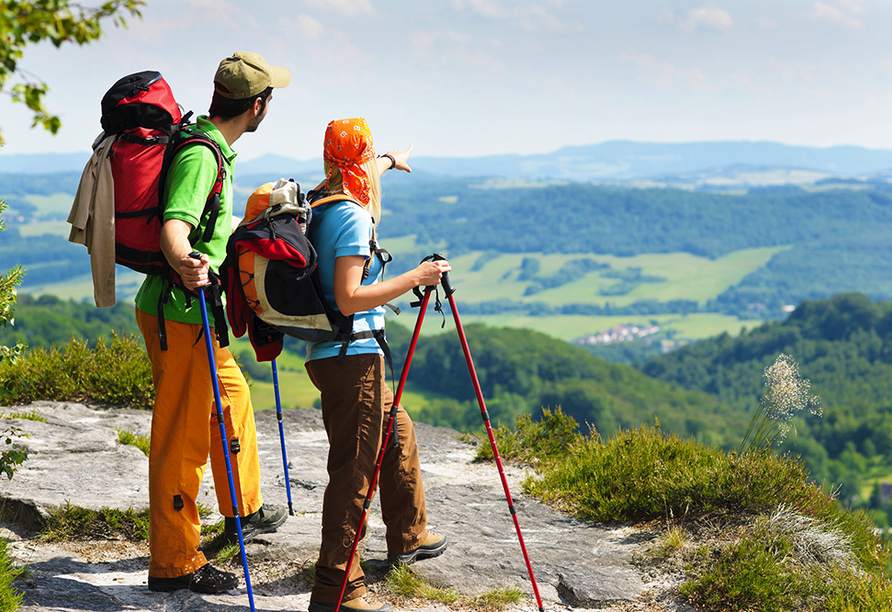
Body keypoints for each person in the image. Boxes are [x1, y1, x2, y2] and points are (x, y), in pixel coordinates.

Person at [134, 52, 291, 594]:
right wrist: (186, 261)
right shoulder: (202, 156)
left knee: (231, 399)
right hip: (181, 312)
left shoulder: (212, 146)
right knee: (182, 436)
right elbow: (175, 226)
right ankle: (174, 562)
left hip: (197, 312)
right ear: (257, 106)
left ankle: (242, 509)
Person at [305, 118, 451, 612]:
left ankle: (409, 536)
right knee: (353, 474)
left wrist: (390, 159)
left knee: (398, 428)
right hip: (352, 357)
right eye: (369, 158)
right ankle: (337, 588)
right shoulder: (352, 216)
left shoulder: (323, 197)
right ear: (357, 161)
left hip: (334, 354)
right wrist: (417, 276)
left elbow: (363, 170)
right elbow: (348, 297)